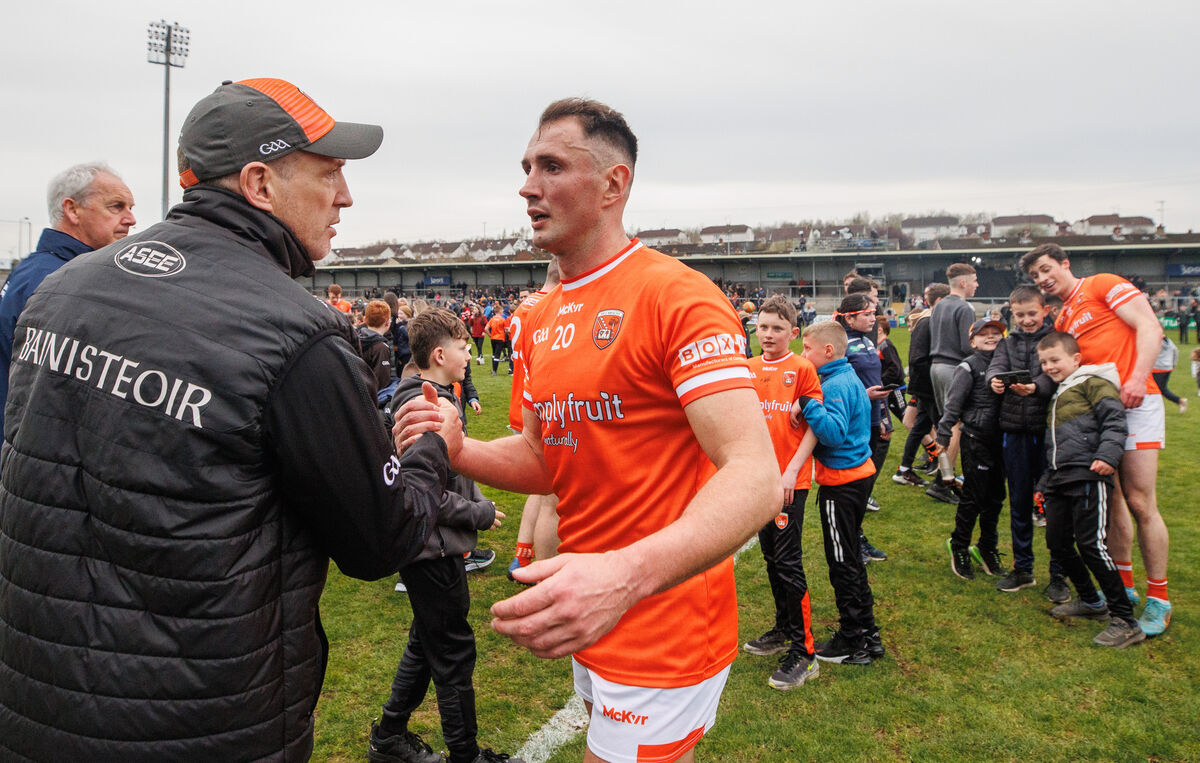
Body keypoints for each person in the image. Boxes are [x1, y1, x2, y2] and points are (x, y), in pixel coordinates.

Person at [0, 77, 456, 759]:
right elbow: (380, 540)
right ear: (259, 183)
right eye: (330, 172)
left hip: (36, 701)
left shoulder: (61, 290)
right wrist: (431, 451)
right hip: (198, 720)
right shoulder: (296, 334)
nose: (346, 196)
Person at [400, 98, 779, 763]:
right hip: (585, 605)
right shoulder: (538, 316)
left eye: (551, 165)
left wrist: (626, 576)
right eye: (525, 167)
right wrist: (463, 449)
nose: (527, 186)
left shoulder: (677, 297)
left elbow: (755, 474)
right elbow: (549, 460)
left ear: (613, 184)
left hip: (662, 616)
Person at [370, 308, 520, 763]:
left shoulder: (429, 394)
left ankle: (389, 735)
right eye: (462, 347)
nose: (470, 353)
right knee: (453, 650)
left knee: (427, 637)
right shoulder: (426, 403)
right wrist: (476, 512)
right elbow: (423, 495)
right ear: (439, 354)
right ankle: (466, 754)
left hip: (429, 546)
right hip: (430, 549)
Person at [1022, 243, 1171, 636]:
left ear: (1064, 263)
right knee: (1114, 500)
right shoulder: (1064, 315)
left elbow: (1149, 327)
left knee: (1141, 501)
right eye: (1035, 275)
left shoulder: (1103, 284)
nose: (1042, 278)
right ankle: (1124, 588)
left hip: (1136, 402)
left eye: (1045, 269)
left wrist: (1138, 377)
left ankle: (1159, 599)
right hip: (1097, 414)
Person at [0, 162, 135, 430]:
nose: (131, 219)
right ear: (72, 210)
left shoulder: (38, 268)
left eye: (131, 208)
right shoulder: (58, 279)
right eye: (116, 206)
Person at [1035, 332, 1145, 648]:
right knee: (1056, 542)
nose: (1049, 366)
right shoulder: (1060, 392)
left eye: (1054, 359)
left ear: (1076, 359)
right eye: (1044, 362)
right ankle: (1091, 601)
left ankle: (1125, 620)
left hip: (1088, 474)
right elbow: (1056, 443)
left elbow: (1114, 421)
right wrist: (1045, 482)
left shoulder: (1094, 383)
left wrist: (1107, 456)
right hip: (1059, 478)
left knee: (1091, 545)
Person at [791, 321, 884, 666]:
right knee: (851, 559)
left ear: (827, 351)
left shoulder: (834, 386)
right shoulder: (843, 378)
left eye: (807, 349)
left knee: (842, 560)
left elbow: (832, 433)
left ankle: (853, 639)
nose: (803, 355)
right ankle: (868, 633)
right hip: (856, 478)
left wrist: (807, 403)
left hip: (842, 484)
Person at [742, 295, 822, 690]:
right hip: (759, 481)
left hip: (790, 482)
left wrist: (792, 470)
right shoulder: (748, 368)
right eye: (763, 326)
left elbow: (814, 426)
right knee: (772, 558)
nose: (769, 334)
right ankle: (782, 628)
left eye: (777, 328)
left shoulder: (802, 369)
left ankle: (805, 653)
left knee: (789, 562)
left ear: (794, 332)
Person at [985, 286, 1064, 598]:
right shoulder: (1009, 342)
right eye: (1020, 315)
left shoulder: (1055, 337)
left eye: (1032, 313)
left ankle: (1059, 574)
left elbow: (1057, 372)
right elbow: (995, 366)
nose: (1027, 320)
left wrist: (1037, 387)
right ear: (1012, 314)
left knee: (1053, 505)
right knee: (1018, 501)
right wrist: (994, 379)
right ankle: (1023, 567)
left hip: (1049, 432)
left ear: (1044, 310)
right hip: (1015, 432)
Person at [937, 319, 1008, 581]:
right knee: (974, 497)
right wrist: (944, 433)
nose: (991, 338)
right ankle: (959, 546)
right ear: (972, 341)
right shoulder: (968, 366)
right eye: (984, 334)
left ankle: (987, 547)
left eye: (996, 334)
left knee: (996, 498)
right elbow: (953, 404)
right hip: (976, 439)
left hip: (1002, 440)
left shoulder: (1008, 364)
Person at [506, 260, 562, 582]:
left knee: (538, 488)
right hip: (540, 407)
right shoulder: (550, 308)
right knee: (551, 498)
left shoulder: (522, 308)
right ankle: (544, 573)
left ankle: (522, 554)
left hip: (520, 400)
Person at [833, 294, 889, 562]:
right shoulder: (840, 344)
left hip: (874, 420)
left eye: (873, 313)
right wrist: (863, 396)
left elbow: (875, 378)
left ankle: (857, 535)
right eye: (867, 313)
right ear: (850, 317)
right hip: (855, 422)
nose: (872, 318)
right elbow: (831, 385)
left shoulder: (868, 341)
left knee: (865, 485)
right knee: (853, 488)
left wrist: (884, 417)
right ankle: (853, 539)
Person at [894, 284, 959, 504]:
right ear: (941, 301)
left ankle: (904, 469)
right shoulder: (929, 321)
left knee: (919, 426)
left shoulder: (932, 320)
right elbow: (918, 360)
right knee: (948, 430)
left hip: (926, 387)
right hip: (930, 388)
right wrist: (935, 384)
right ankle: (943, 481)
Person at [929, 263, 979, 471]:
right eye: (974, 281)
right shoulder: (964, 307)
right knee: (955, 424)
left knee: (944, 422)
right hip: (953, 369)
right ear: (963, 282)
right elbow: (967, 346)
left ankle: (943, 473)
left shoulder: (939, 305)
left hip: (936, 368)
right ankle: (945, 479)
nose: (977, 285)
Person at [359, 299, 399, 404]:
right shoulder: (381, 347)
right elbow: (382, 381)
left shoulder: (357, 340)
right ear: (387, 323)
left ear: (365, 319)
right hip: (374, 400)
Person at [1151, 336, 1185, 413]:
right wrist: (1173, 365)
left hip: (1157, 368)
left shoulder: (1155, 340)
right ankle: (1178, 401)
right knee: (1161, 389)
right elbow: (1175, 351)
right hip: (1167, 368)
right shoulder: (1169, 341)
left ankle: (1179, 401)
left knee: (1158, 390)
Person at [486, 304, 509, 375]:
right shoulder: (502, 320)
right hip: (500, 338)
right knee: (497, 355)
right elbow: (506, 330)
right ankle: (494, 371)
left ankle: (493, 369)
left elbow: (486, 328)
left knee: (494, 354)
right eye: (502, 310)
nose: (503, 311)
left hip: (493, 338)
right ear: (499, 311)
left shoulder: (492, 319)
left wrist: (490, 335)